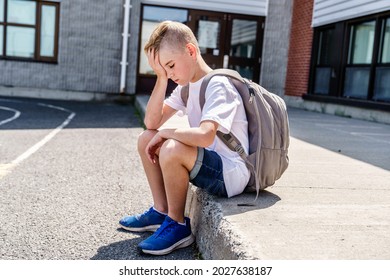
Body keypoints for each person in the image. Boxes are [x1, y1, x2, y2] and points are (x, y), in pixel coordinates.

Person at [119, 21, 250, 256]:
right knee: (145, 138)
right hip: (211, 163)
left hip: (231, 172)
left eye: (171, 65)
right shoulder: (186, 87)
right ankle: (161, 211)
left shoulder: (219, 85)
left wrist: (167, 133)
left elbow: (205, 135)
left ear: (190, 51)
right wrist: (161, 77)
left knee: (170, 147)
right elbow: (152, 123)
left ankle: (178, 225)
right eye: (165, 69)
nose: (171, 74)